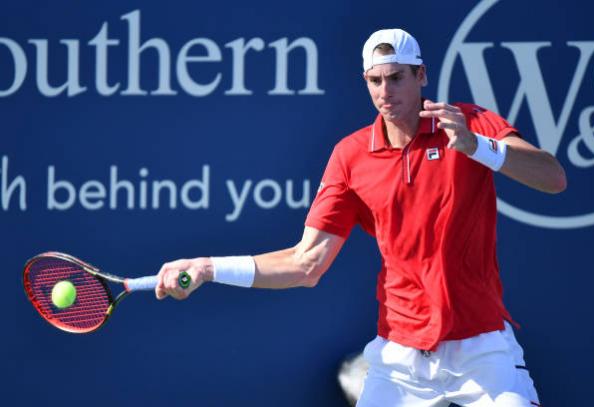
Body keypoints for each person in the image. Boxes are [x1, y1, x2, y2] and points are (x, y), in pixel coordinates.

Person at [155, 29, 566, 406]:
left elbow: (553, 178)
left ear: (421, 75)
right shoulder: (350, 156)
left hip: (482, 350)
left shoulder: (468, 122)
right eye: (375, 81)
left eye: (397, 77)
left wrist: (479, 147)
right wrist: (208, 268)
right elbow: (305, 264)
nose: (386, 92)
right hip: (399, 359)